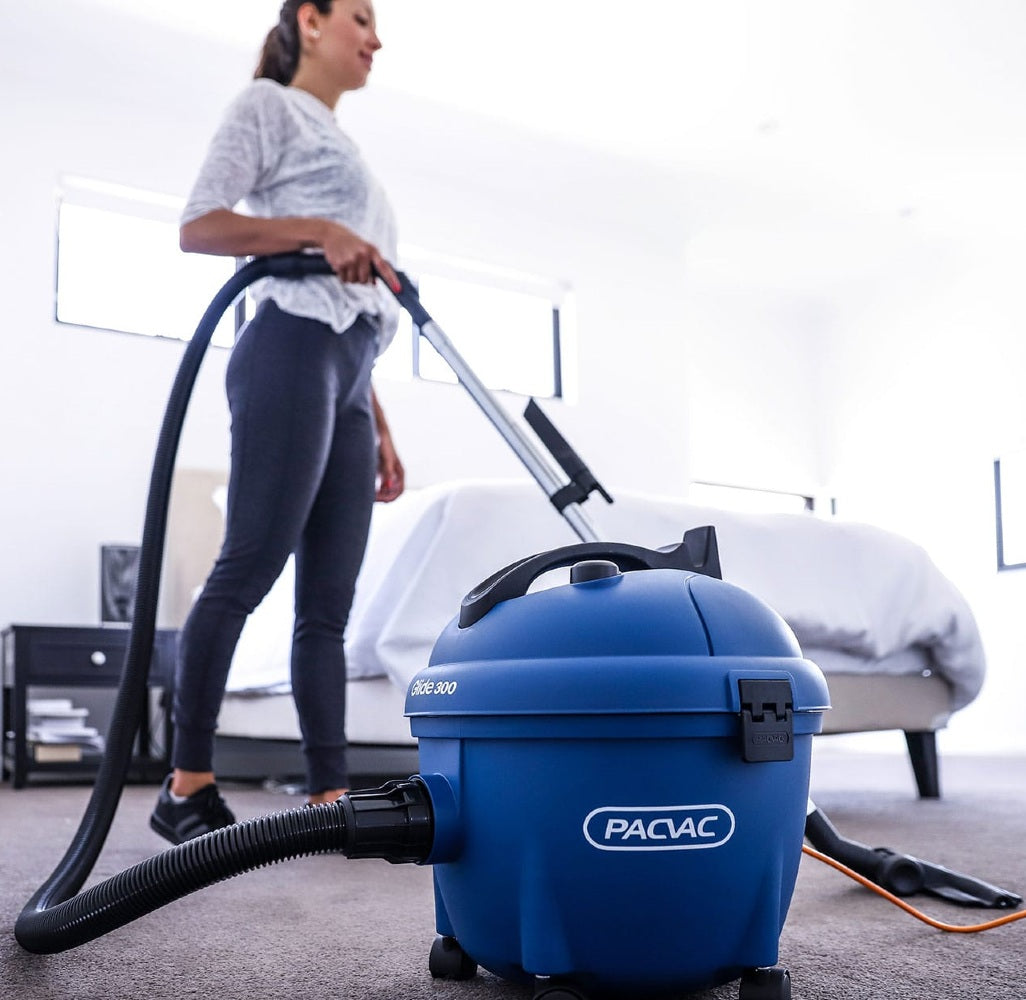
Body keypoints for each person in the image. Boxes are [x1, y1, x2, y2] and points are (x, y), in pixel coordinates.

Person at [150, 0, 405, 845]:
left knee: (329, 606)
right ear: (311, 19)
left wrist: (380, 419)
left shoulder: (350, 150)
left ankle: (330, 794)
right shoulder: (266, 105)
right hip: (288, 347)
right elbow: (200, 225)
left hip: (351, 369)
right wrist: (316, 229)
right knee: (249, 565)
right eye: (361, 18)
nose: (376, 37)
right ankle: (186, 783)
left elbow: (356, 296)